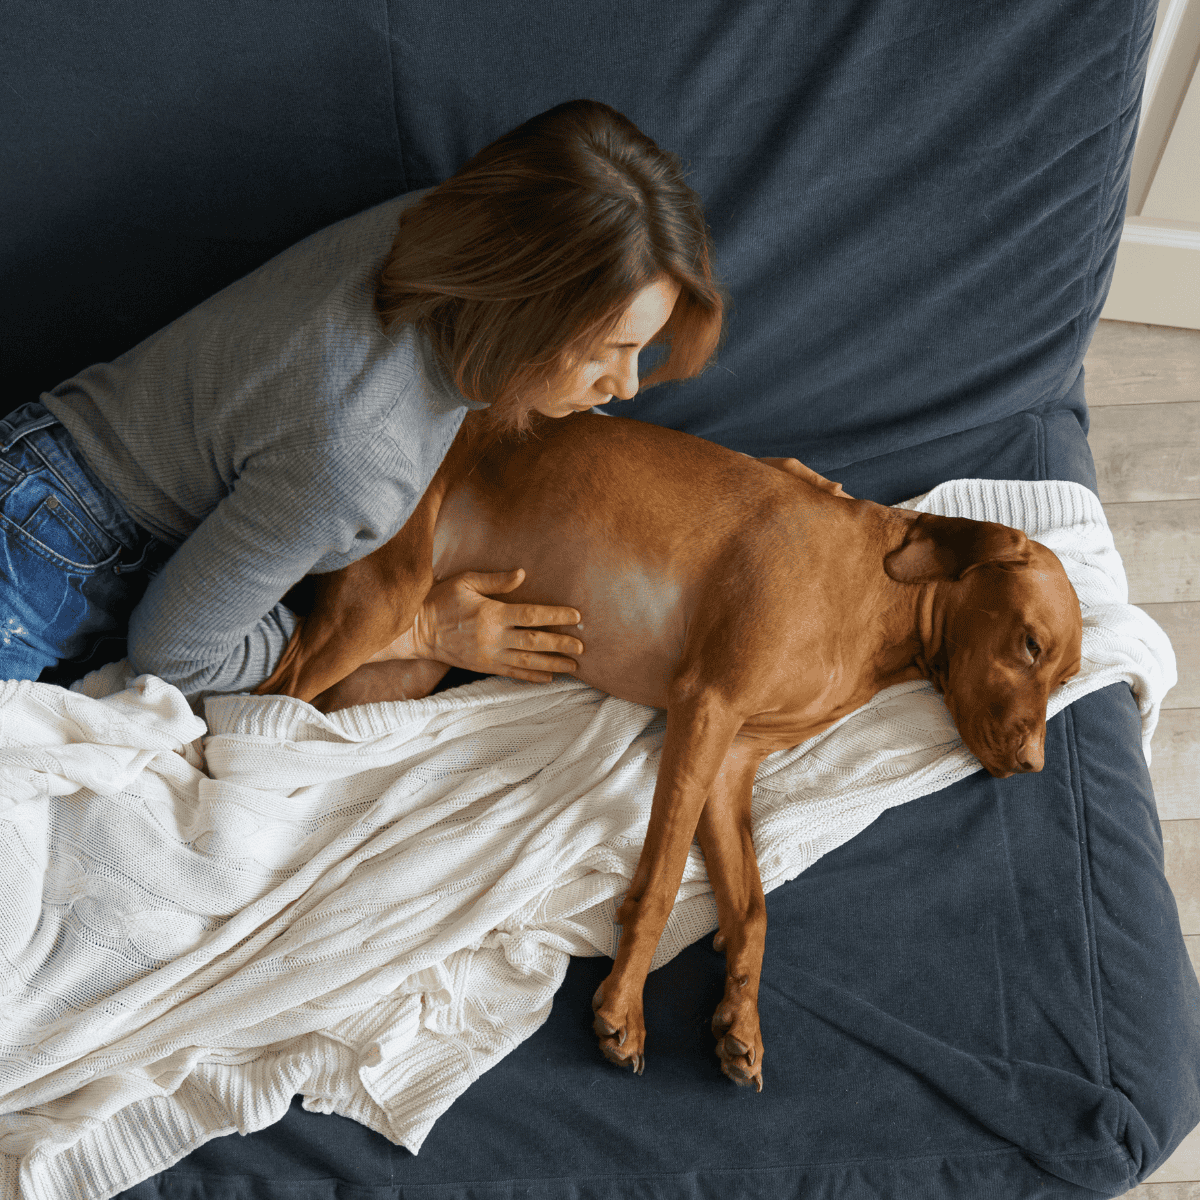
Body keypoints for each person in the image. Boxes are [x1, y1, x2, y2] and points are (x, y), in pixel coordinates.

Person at [0, 99, 726, 704]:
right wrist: (417, 632)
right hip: (44, 553)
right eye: (609, 350)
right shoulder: (357, 452)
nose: (626, 388)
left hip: (54, 471)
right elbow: (176, 657)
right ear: (517, 310)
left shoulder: (455, 222)